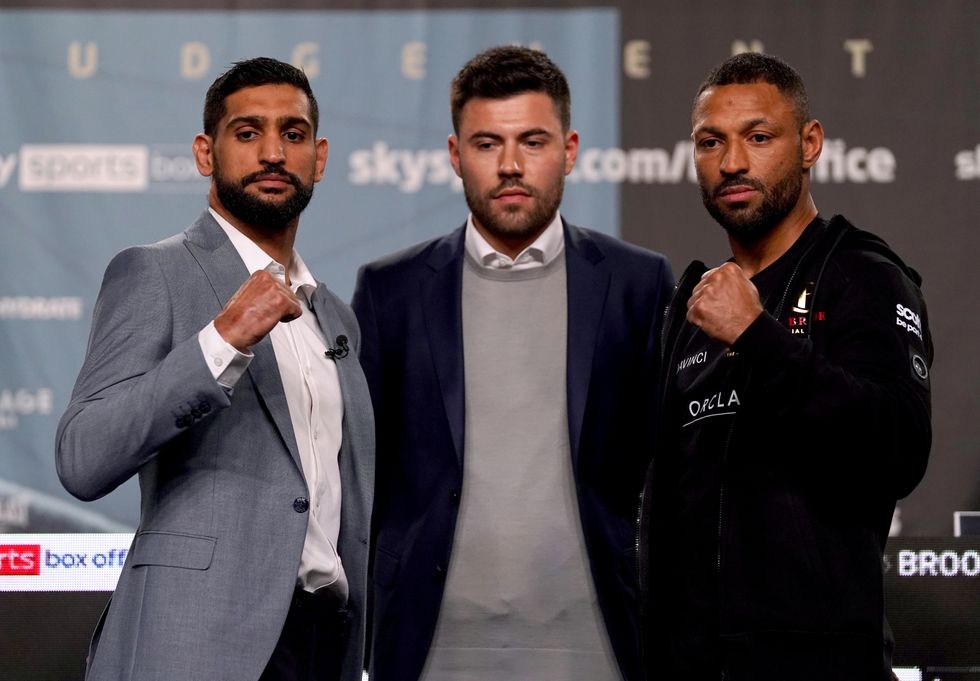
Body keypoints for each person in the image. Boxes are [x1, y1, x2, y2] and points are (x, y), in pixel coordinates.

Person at [351, 46, 673, 681]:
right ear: (455, 155)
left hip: (601, 641)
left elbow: (664, 465)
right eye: (486, 144)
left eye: (532, 141)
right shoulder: (390, 290)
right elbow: (362, 473)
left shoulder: (639, 283)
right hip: (426, 646)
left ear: (570, 148)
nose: (510, 165)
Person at [56, 57, 374, 681]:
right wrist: (223, 338)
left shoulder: (334, 314)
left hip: (322, 645)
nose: (273, 153)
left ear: (320, 157)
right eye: (248, 133)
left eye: (293, 133)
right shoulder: (154, 273)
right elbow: (82, 457)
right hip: (196, 643)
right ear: (206, 153)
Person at [637, 52, 933, 680]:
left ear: (810, 143)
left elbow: (899, 447)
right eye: (710, 142)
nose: (733, 162)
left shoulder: (863, 276)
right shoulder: (690, 303)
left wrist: (757, 337)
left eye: (759, 137)